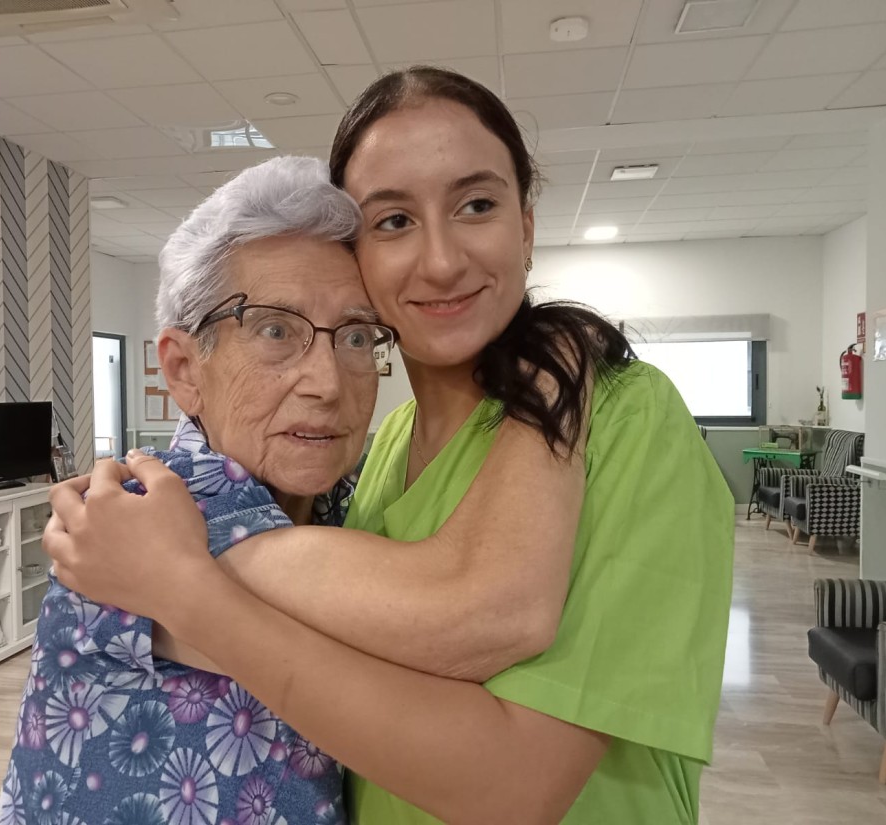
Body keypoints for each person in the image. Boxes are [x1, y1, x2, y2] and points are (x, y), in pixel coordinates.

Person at [46, 67, 735, 824]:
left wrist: (188, 586)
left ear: (527, 228)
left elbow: (513, 774)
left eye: (477, 205)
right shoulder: (372, 454)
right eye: (394, 220)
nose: (441, 261)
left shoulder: (622, 416)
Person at [0, 155, 394, 825]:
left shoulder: (350, 501)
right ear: (183, 369)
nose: (328, 383)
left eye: (356, 335)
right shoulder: (138, 521)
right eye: (275, 329)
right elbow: (469, 619)